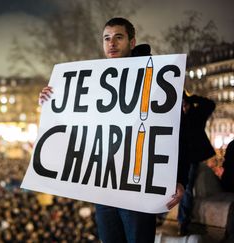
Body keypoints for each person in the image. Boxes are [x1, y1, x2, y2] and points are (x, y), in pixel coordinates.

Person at [39, 17, 185, 243]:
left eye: (119, 37)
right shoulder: (96, 80)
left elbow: (176, 130)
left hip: (137, 187)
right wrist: (52, 100)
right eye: (107, 38)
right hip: (105, 189)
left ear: (132, 41)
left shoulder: (156, 76)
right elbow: (79, 122)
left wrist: (178, 178)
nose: (112, 43)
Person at [177, 92, 216, 235]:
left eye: (185, 104)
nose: (183, 107)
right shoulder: (177, 116)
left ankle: (183, 222)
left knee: (186, 189)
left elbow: (210, 104)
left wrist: (192, 98)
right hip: (178, 156)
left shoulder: (196, 114)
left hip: (191, 157)